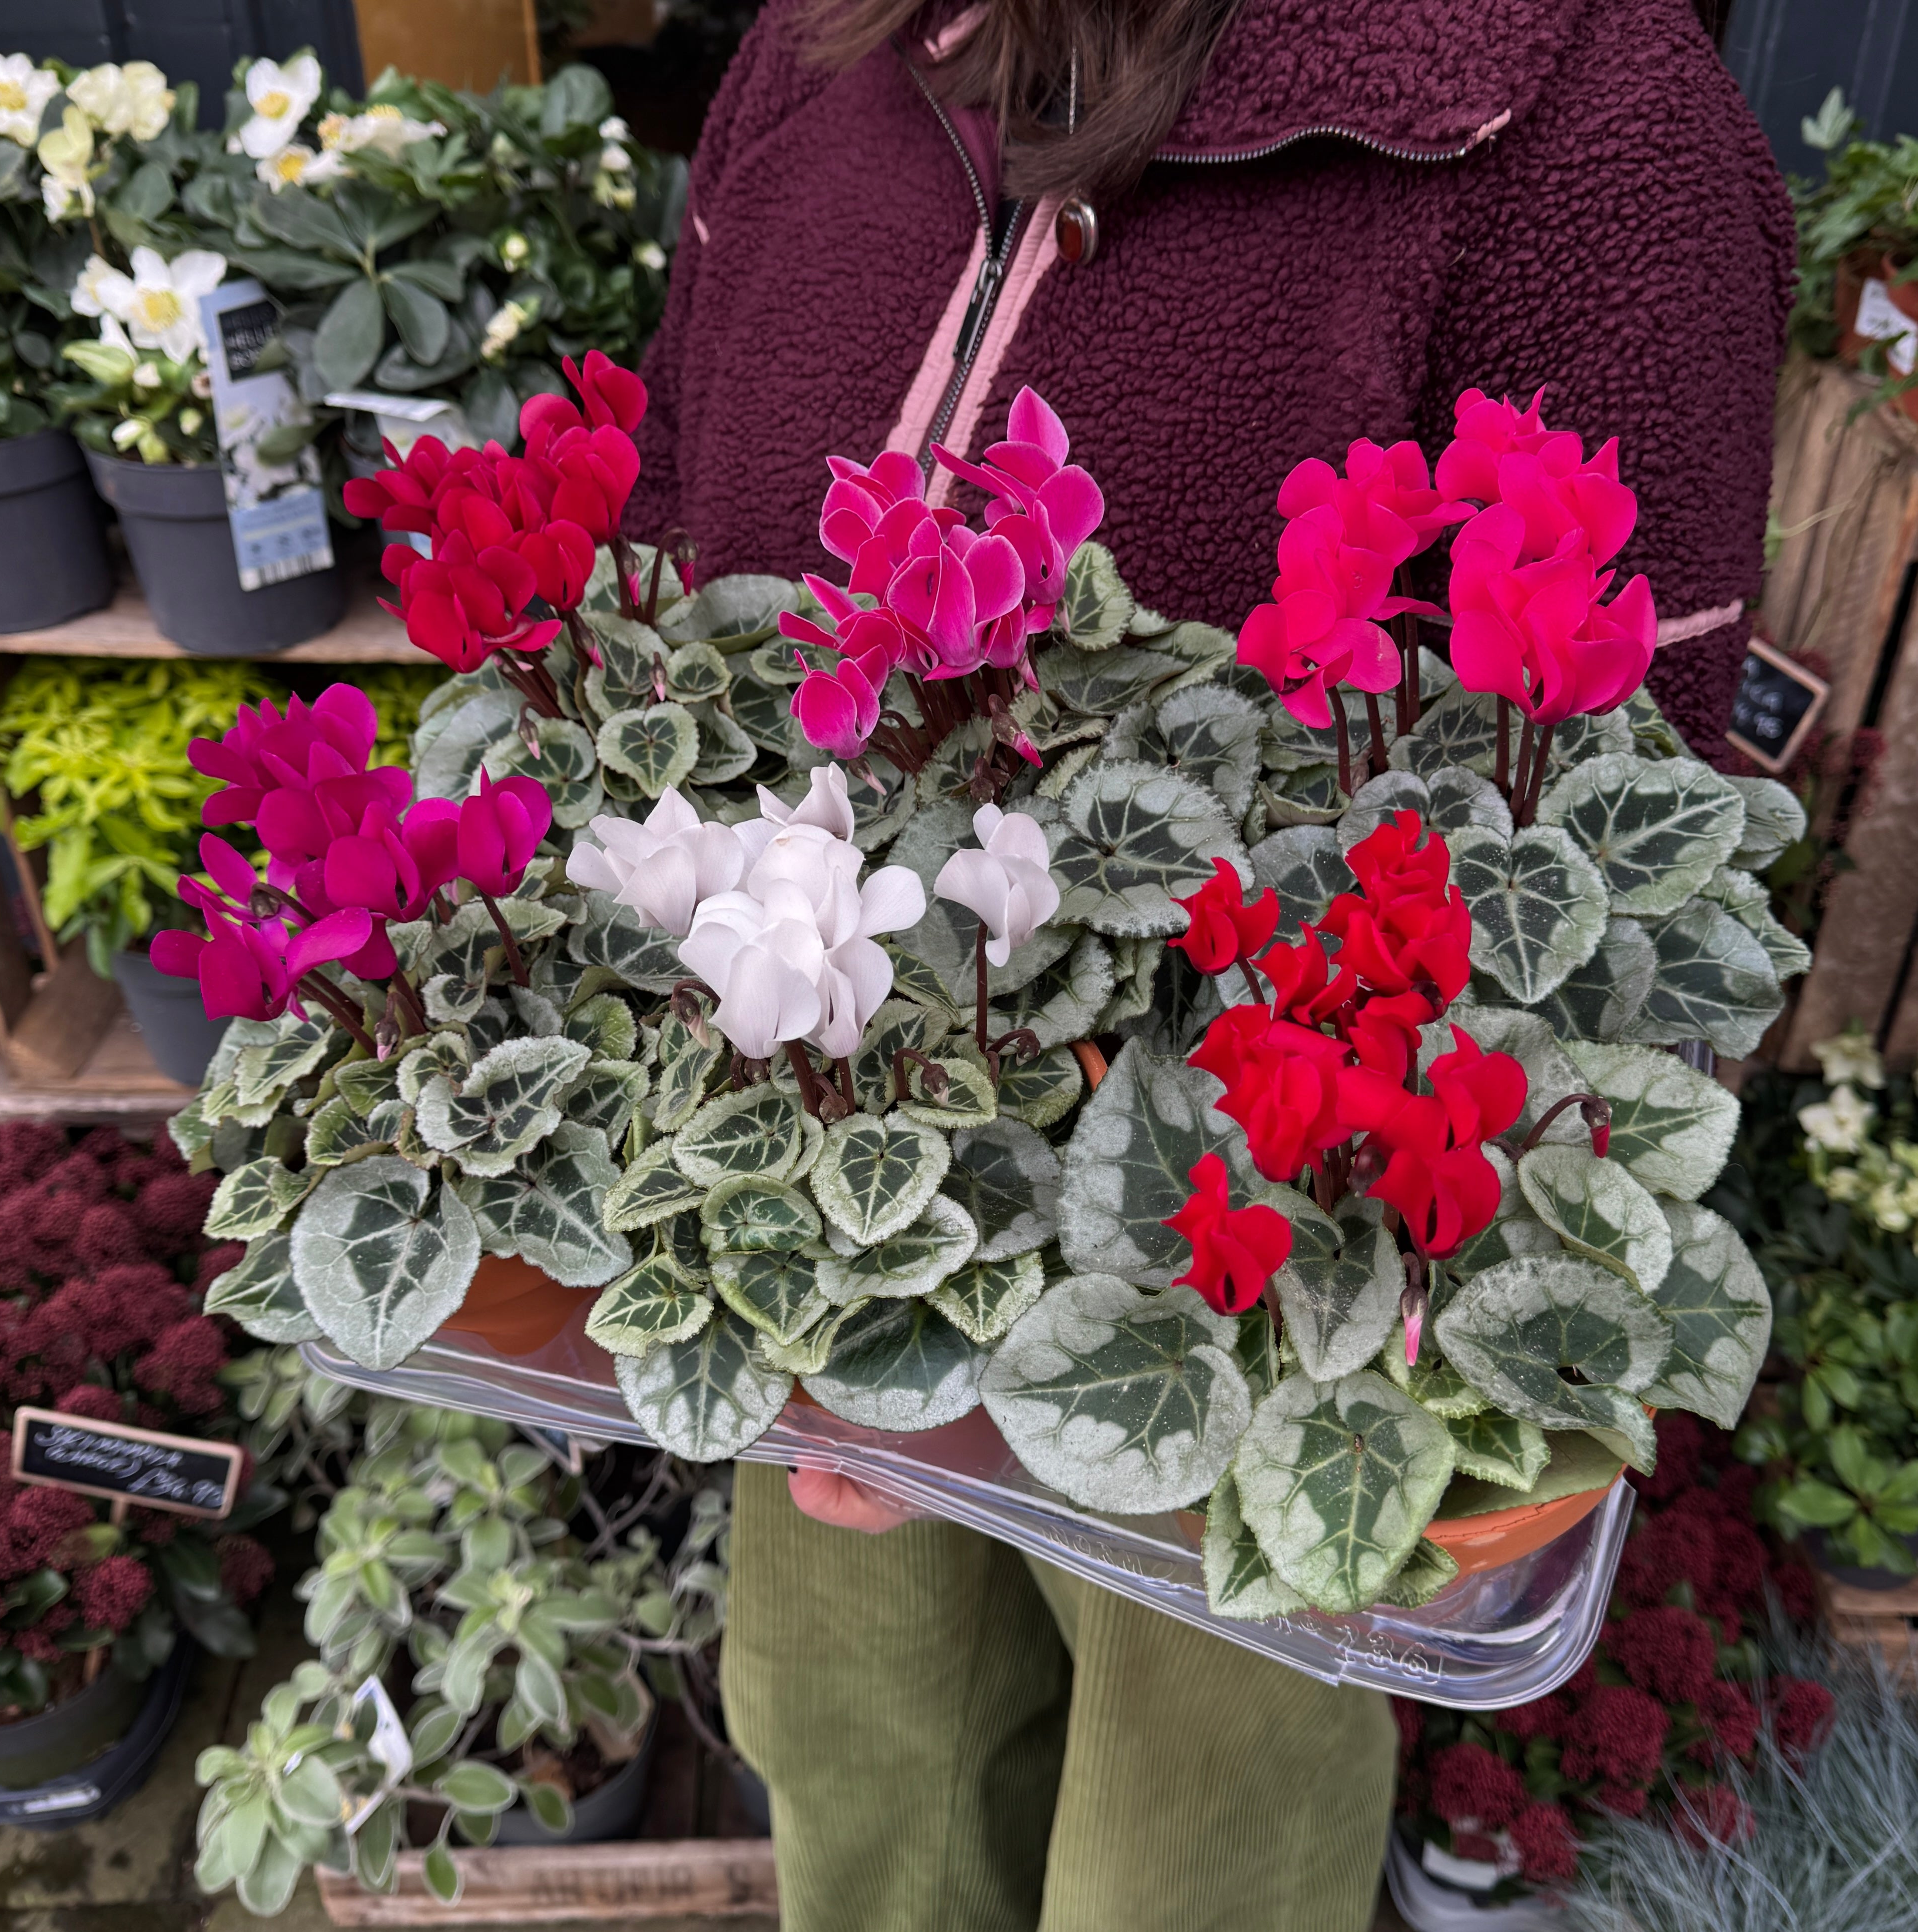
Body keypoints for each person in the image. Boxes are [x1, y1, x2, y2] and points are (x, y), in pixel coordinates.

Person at [628, 3, 1793, 1926]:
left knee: (1182, 1866)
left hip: (1265, 1255)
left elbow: (1609, 854)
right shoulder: (820, 45)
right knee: (848, 1743)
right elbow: (676, 501)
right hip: (841, 1144)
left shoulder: (1574, 114)